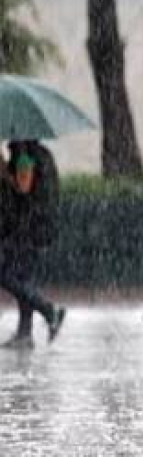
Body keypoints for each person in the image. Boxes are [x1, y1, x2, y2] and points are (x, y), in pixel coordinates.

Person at [0, 141, 66, 349]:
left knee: (6, 274)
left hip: (29, 228)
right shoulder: (41, 153)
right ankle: (25, 333)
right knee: (23, 277)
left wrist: (3, 171)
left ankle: (49, 310)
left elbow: (23, 187)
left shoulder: (24, 154)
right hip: (38, 227)